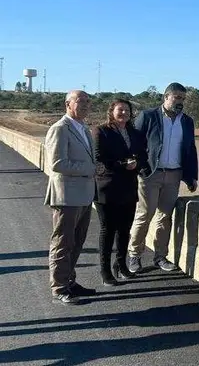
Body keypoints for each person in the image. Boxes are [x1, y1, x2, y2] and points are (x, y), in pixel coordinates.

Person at [128, 82, 198, 273]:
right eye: (177, 97)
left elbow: (190, 149)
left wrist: (191, 176)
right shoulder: (148, 116)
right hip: (150, 174)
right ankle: (134, 254)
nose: (180, 102)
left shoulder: (187, 121)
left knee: (164, 217)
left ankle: (160, 257)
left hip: (174, 174)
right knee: (145, 215)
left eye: (183, 98)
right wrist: (139, 168)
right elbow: (134, 143)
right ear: (166, 97)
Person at [44, 90, 98, 305]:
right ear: (68, 104)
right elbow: (57, 164)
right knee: (63, 243)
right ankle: (59, 287)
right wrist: (90, 169)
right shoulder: (59, 129)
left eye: (88, 101)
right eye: (80, 101)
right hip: (66, 196)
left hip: (83, 195)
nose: (85, 104)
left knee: (76, 243)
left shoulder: (83, 128)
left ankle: (69, 281)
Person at [92, 98, 148, 285]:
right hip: (107, 188)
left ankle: (121, 265)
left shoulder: (135, 133)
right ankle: (105, 271)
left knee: (125, 230)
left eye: (127, 110)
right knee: (107, 230)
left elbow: (143, 155)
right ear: (111, 111)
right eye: (120, 109)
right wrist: (123, 165)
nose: (123, 113)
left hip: (128, 188)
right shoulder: (101, 131)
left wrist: (137, 164)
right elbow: (99, 158)